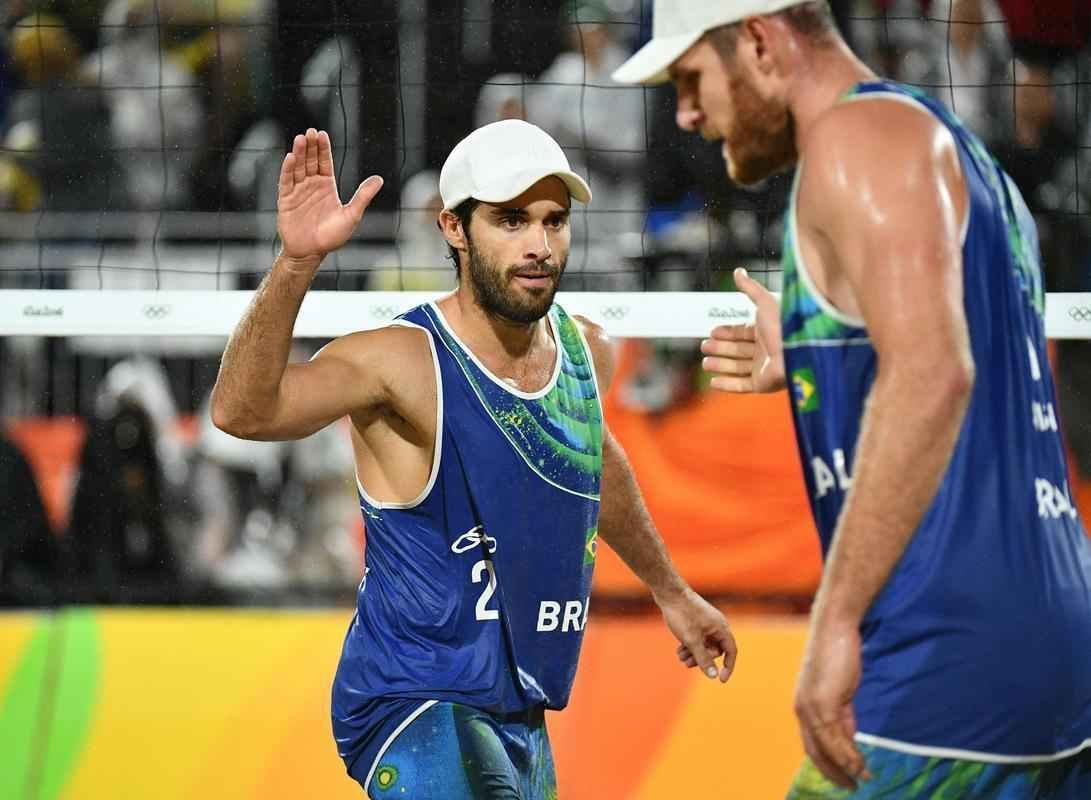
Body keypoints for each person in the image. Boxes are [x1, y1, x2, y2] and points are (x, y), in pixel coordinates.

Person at [614, 1, 1091, 797]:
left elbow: (934, 374)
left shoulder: (853, 142)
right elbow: (963, 349)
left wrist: (833, 623)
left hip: (947, 653)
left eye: (691, 78)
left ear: (760, 42)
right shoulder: (957, 153)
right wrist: (814, 347)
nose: (687, 114)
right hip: (1045, 638)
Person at [210, 121, 736, 798]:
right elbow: (239, 413)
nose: (539, 246)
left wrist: (672, 592)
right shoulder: (399, 360)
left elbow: (596, 467)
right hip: (412, 694)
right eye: (511, 221)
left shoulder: (583, 350)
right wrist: (295, 263)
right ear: (453, 229)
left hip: (516, 705)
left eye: (554, 221)